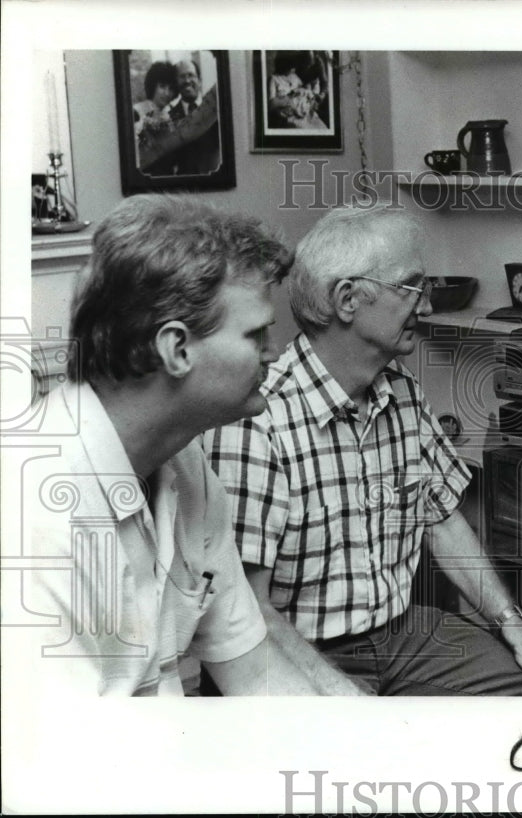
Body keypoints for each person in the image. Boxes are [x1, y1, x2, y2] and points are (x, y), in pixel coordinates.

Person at [203, 205, 522, 696]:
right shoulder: (258, 420)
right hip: (298, 650)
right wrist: (342, 695)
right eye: (411, 288)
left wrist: (516, 627)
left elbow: (445, 521)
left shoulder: (401, 390)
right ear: (347, 299)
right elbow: (246, 608)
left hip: (402, 638)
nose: (427, 306)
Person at [20, 194, 352, 696]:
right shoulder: (33, 512)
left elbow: (255, 675)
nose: (273, 351)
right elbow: (69, 767)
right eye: (255, 334)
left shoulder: (185, 464)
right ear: (175, 348)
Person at [165, 58, 221, 175]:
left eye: (191, 75)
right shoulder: (168, 117)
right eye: (182, 76)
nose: (187, 80)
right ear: (176, 83)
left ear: (199, 80)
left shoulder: (216, 110)